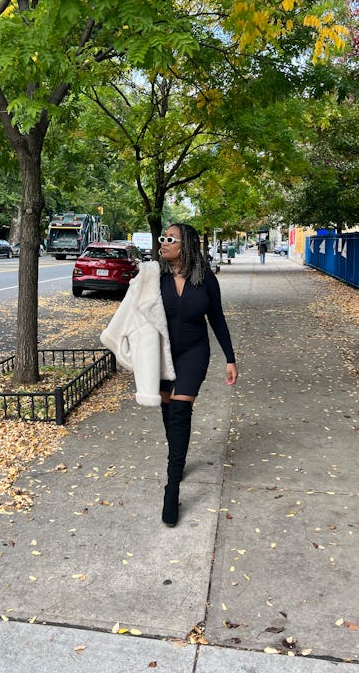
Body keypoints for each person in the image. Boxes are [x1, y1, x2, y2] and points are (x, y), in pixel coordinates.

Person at [158, 223, 238, 527]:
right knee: (167, 410)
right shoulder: (155, 277)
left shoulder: (205, 279)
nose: (163, 243)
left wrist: (230, 358)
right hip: (162, 353)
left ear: (186, 245)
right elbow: (135, 313)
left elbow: (217, 319)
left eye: (170, 239)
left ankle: (172, 487)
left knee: (180, 410)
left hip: (194, 351)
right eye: (162, 238)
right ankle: (176, 459)